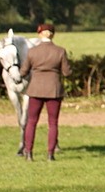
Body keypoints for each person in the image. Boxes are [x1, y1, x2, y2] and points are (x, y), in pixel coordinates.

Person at [19, 23, 70, 161]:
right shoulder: (60, 51)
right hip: (54, 90)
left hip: (35, 89)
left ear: (39, 34)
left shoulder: (32, 52)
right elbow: (66, 72)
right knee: (53, 123)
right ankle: (50, 154)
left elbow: (23, 72)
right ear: (53, 34)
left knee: (32, 122)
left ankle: (29, 153)